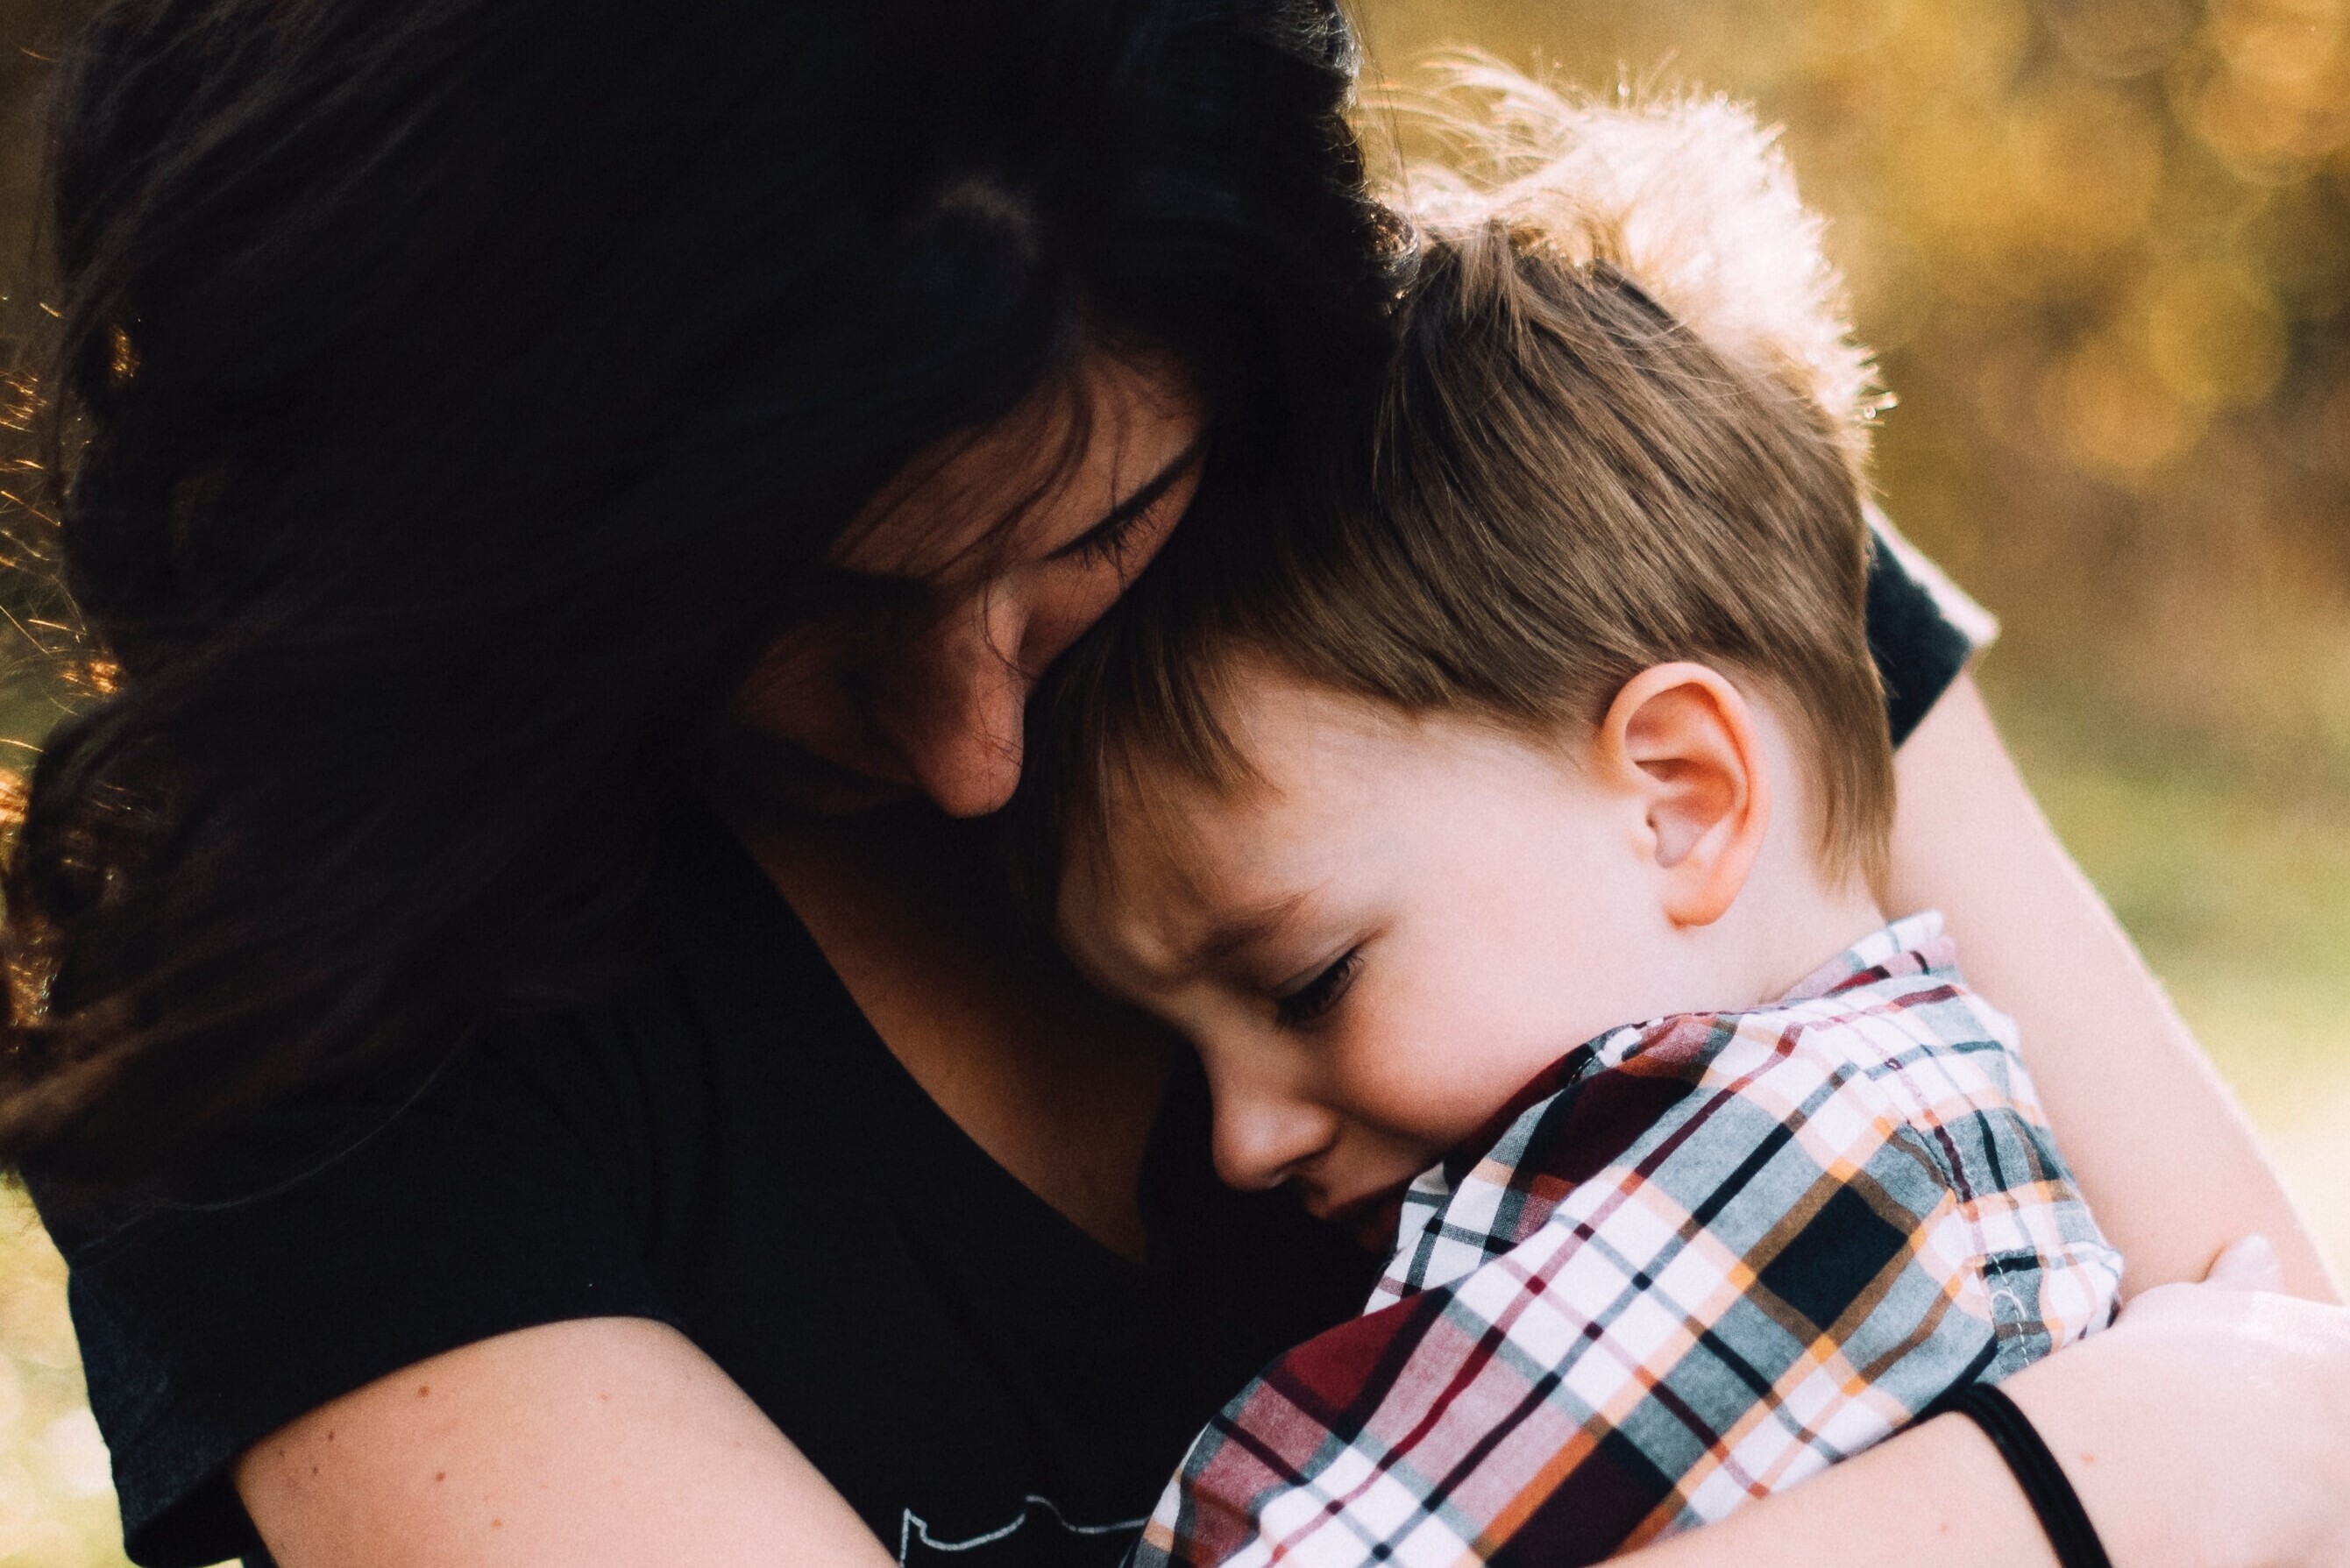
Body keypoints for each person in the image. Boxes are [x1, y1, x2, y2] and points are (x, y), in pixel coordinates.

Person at [0, 4, 2341, 1568]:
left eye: (1091, 540)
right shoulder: (293, 1000)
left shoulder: (1550, 528)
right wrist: (2087, 1474)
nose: (971, 750)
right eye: (789, 605)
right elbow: (2256, 1427)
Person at [1015, 85, 2126, 1565]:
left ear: (1678, 796)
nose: (1236, 1139)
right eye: (1184, 1042)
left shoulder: (1802, 1176)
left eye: (1304, 982)